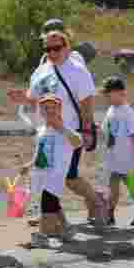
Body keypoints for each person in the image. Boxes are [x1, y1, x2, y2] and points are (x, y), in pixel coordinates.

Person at [8, 21, 102, 227]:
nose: (52, 52)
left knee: (67, 176)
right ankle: (52, 218)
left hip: (70, 131)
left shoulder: (76, 70)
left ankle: (95, 201)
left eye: (56, 48)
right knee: (50, 173)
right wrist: (22, 98)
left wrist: (87, 129)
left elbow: (86, 103)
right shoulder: (41, 71)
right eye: (47, 49)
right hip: (47, 132)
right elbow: (34, 99)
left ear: (67, 46)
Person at [20, 94, 84, 248]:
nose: (49, 110)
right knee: (53, 203)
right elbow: (39, 153)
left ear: (60, 110)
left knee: (47, 205)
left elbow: (78, 142)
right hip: (42, 173)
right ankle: (67, 228)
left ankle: (41, 237)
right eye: (46, 108)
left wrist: (61, 128)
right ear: (41, 111)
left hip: (56, 175)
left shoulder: (64, 129)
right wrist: (29, 165)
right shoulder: (41, 130)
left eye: (53, 107)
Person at [100, 76, 134, 226]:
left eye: (109, 93)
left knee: (132, 184)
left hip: (126, 155)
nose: (107, 96)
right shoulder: (111, 109)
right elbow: (105, 129)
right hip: (113, 155)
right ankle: (110, 214)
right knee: (113, 185)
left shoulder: (127, 111)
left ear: (120, 92)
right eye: (106, 94)